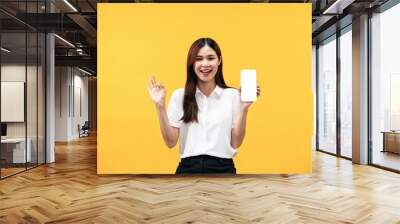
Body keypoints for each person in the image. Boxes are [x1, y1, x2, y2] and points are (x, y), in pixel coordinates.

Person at [147, 37, 260, 174]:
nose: (205, 64)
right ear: (192, 63)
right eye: (199, 59)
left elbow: (236, 143)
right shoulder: (180, 96)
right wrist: (159, 106)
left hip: (223, 169)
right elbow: (170, 142)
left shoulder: (233, 96)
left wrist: (244, 109)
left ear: (219, 60)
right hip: (188, 169)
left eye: (210, 58)